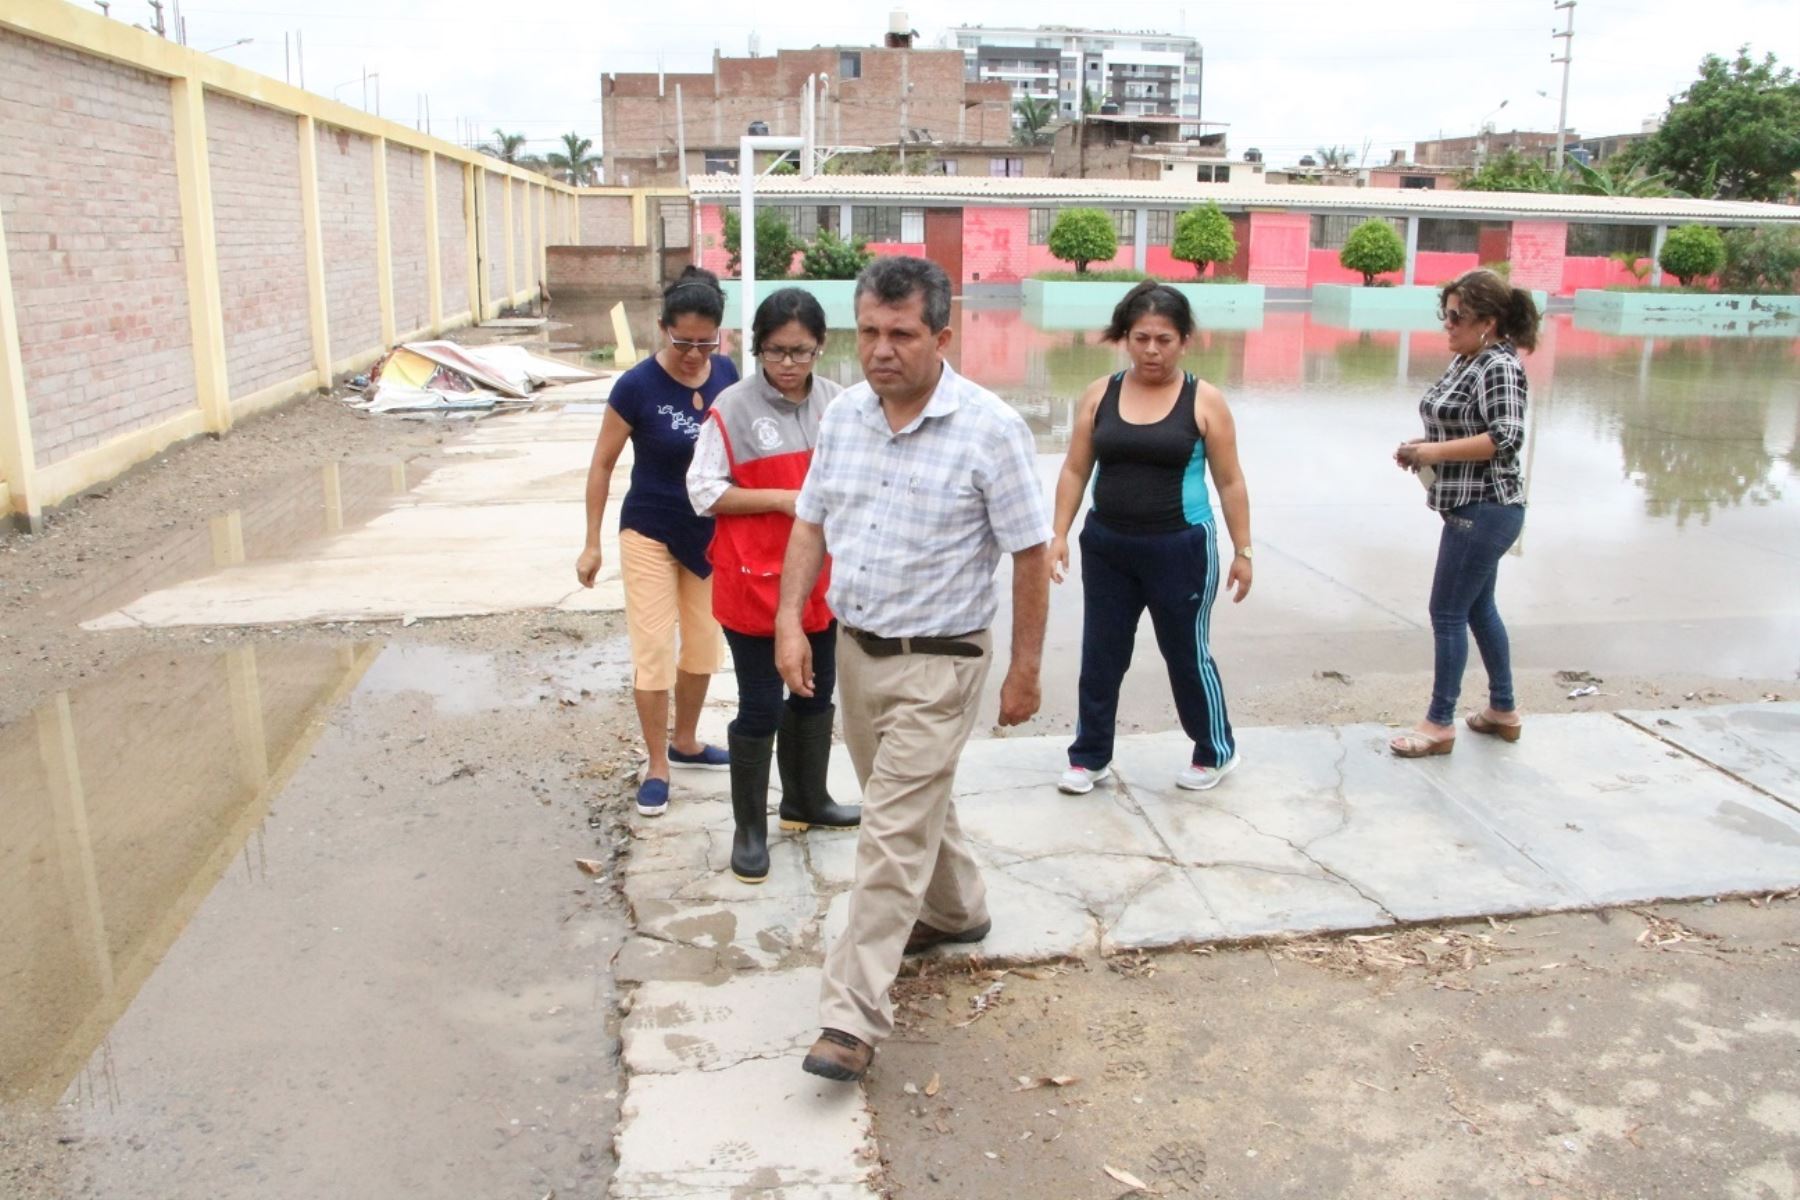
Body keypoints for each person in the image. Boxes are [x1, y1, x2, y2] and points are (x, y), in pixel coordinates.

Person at [774, 256, 1051, 1083]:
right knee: (915, 804)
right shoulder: (846, 416)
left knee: (887, 834)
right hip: (858, 652)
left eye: (900, 334)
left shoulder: (991, 427)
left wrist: (1025, 670)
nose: (880, 350)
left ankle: (850, 1017)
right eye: (868, 332)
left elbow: (1031, 555)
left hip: (944, 661)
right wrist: (792, 621)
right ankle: (959, 909)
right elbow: (809, 526)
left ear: (941, 334)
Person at [1049, 282, 1253, 797]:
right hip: (1108, 545)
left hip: (1181, 547)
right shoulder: (1101, 393)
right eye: (1141, 338)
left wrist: (1244, 550)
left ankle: (1213, 750)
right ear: (1125, 337)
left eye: (1164, 339)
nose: (1152, 350)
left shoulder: (1204, 400)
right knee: (1102, 652)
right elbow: (1075, 469)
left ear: (1184, 340)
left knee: (1185, 652)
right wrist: (1059, 534)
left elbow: (1230, 481)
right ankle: (1089, 755)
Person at [686, 288, 861, 886]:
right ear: (757, 347)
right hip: (753, 585)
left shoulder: (839, 405)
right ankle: (749, 830)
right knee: (761, 705)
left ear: (821, 348)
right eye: (776, 352)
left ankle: (806, 801)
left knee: (815, 694)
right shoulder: (730, 409)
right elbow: (703, 492)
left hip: (821, 584)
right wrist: (785, 500)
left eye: (801, 352)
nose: (788, 365)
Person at [575, 267, 739, 815]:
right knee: (653, 651)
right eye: (682, 341)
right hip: (648, 529)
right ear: (662, 329)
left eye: (705, 342)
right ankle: (657, 765)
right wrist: (591, 542)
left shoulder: (728, 376)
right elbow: (602, 465)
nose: (694, 354)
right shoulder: (636, 386)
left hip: (707, 534)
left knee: (702, 648)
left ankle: (686, 741)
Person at [1389, 268, 1539, 758]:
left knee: (1447, 612)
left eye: (1457, 316)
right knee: (1477, 608)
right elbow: (1458, 424)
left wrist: (1432, 455)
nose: (1447, 324)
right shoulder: (1466, 360)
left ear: (1489, 322)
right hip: (1468, 505)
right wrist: (1423, 446)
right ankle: (1503, 710)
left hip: (1487, 508)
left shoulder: (1498, 364)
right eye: (1445, 314)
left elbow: (1505, 437)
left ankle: (1439, 723)